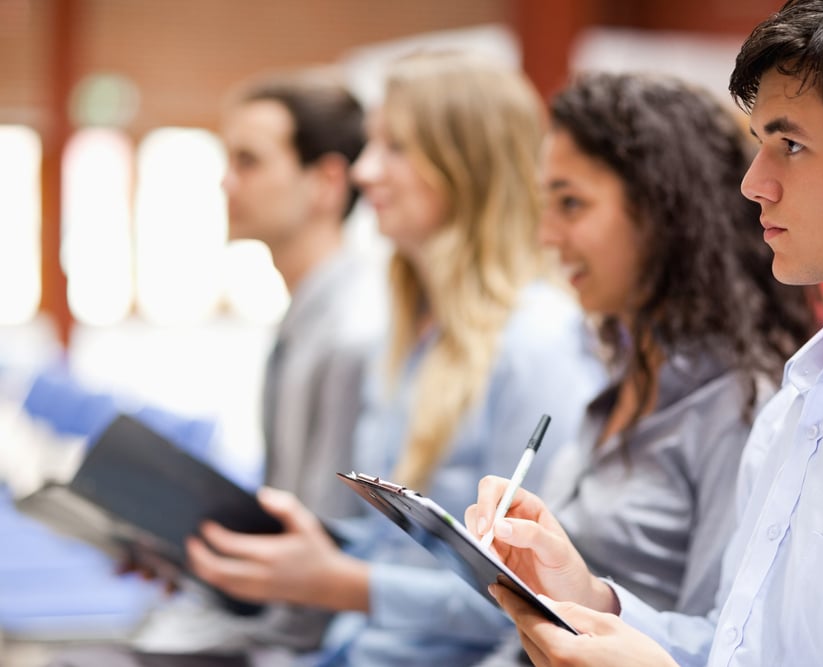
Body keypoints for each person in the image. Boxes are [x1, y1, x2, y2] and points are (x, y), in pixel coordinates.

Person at [466, 0, 823, 665]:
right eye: (758, 145)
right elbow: (737, 645)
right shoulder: (801, 402)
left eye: (791, 145)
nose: (754, 184)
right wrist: (587, 594)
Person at [181, 51, 606, 667]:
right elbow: (393, 549)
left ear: (466, 165)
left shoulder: (537, 341)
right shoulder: (411, 334)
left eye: (396, 148)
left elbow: (532, 598)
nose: (365, 172)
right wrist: (278, 552)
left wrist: (340, 583)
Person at [474, 71, 818, 667]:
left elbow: (726, 643)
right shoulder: (621, 378)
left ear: (663, 213)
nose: (547, 236)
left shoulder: (740, 406)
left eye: (571, 204)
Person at [50, 68, 387, 667]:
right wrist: (182, 553)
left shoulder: (353, 333)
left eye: (249, 161)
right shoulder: (305, 319)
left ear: (327, 181)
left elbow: (324, 547)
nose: (227, 182)